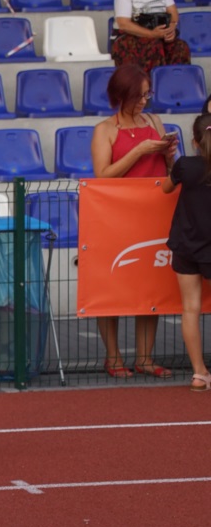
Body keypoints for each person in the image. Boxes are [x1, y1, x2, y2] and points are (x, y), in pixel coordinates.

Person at [91, 63, 176, 379]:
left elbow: (169, 170)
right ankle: (113, 357)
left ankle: (145, 356)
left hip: (154, 212)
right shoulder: (105, 130)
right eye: (137, 96)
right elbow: (102, 176)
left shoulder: (154, 121)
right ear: (120, 95)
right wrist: (139, 151)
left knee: (150, 285)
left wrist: (168, 155)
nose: (143, 102)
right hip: (116, 217)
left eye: (146, 95)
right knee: (111, 285)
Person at [163, 114, 211, 391]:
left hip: (186, 244)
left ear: (194, 141)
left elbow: (166, 188)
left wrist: (171, 163)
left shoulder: (186, 165)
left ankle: (199, 374)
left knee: (190, 309)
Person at [111, 0, 190, 75]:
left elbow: (173, 13)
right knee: (153, 46)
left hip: (158, 34)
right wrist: (152, 34)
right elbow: (124, 24)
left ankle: (174, 83)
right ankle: (151, 84)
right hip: (130, 37)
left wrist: (170, 29)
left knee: (180, 47)